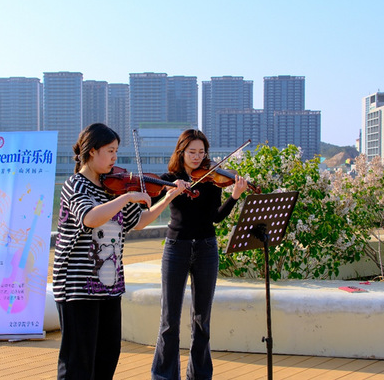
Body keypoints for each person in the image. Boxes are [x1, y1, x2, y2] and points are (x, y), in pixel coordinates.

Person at [53, 123, 187, 380]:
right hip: (77, 287)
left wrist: (169, 197)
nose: (115, 157)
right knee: (78, 363)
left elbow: (140, 221)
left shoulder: (115, 187)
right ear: (92, 151)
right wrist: (126, 198)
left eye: (116, 151)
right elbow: (90, 218)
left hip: (110, 286)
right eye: (110, 151)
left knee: (107, 358)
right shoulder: (76, 185)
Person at [151, 129, 248, 380]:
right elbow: (150, 204)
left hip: (206, 248)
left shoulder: (211, 179)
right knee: (169, 320)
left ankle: (200, 376)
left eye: (201, 152)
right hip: (176, 247)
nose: (197, 157)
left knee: (202, 320)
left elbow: (215, 217)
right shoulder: (169, 179)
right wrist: (171, 192)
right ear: (181, 152)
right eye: (192, 151)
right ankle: (164, 376)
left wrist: (235, 196)